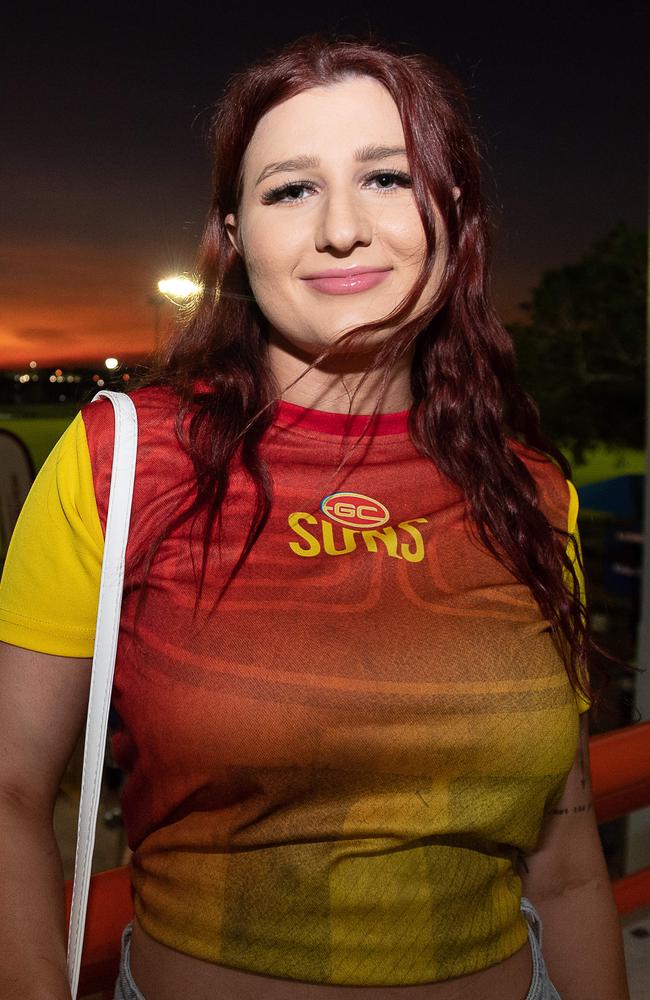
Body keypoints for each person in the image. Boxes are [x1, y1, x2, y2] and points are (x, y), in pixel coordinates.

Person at [0, 31, 631, 1000]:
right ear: (233, 235)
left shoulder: (529, 489)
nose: (341, 226)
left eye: (385, 177)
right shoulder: (120, 458)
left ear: (450, 214)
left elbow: (567, 861)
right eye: (290, 188)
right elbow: (8, 792)